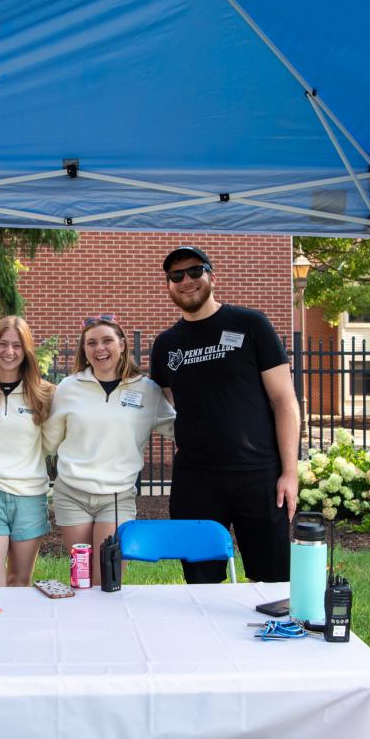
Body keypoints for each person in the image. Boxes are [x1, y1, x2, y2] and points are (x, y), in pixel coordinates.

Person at [149, 246, 300, 583]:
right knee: (201, 583)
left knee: (273, 582)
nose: (186, 280)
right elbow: (168, 405)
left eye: (195, 271)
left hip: (258, 475)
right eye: (176, 276)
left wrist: (290, 472)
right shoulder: (166, 344)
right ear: (168, 286)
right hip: (195, 481)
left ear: (212, 277)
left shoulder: (251, 325)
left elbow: (284, 401)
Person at [44, 314, 174, 586]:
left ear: (122, 345)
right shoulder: (68, 388)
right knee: (82, 580)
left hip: (117, 496)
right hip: (72, 493)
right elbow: (50, 440)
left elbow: (177, 428)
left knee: (108, 579)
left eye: (107, 341)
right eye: (91, 343)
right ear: (84, 350)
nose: (99, 348)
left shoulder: (147, 390)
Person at [0, 316, 55, 586]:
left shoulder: (44, 393)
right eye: (3, 344)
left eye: (17, 345)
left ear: (26, 351)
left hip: (30, 496)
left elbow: (54, 440)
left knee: (19, 582)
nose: (9, 352)